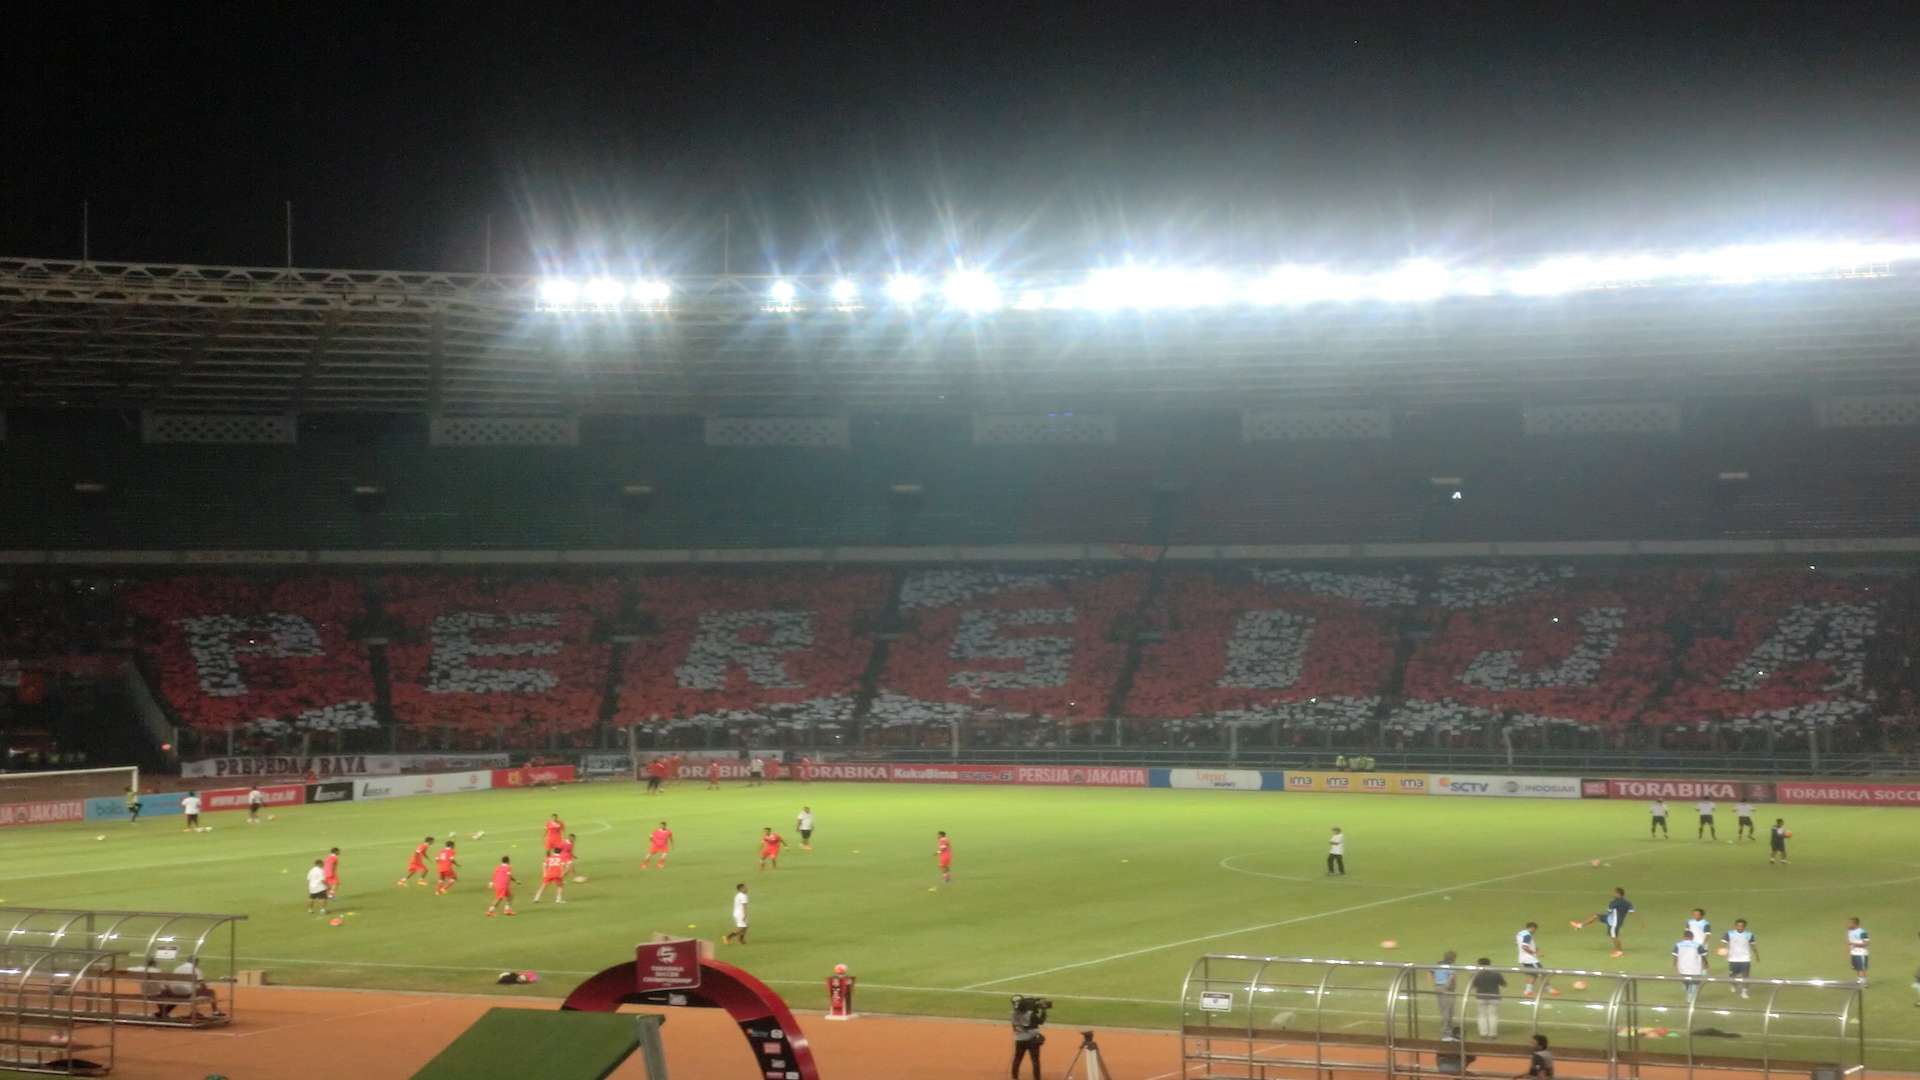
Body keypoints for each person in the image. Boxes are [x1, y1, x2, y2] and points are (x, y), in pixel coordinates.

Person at [1572, 887, 1634, 958]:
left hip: (1614, 922)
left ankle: (1619, 951)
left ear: (1618, 894)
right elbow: (1632, 912)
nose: (1613, 894)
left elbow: (1609, 911)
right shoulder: (1628, 903)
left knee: (1613, 936)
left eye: (1615, 893)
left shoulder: (1614, 902)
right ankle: (1579, 925)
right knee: (1596, 916)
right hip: (1613, 919)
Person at [1010, 996, 1046, 1080]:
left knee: (1017, 1059)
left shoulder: (1014, 1014)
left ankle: (1015, 1077)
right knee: (1035, 1060)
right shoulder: (1031, 1015)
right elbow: (1041, 1021)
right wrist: (1043, 1011)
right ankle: (1037, 1078)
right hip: (1031, 1040)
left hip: (1019, 1039)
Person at [1469, 959, 1506, 1038]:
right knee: (1493, 1015)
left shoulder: (1477, 974)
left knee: (1482, 1015)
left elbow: (1473, 985)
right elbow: (1504, 984)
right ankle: (1492, 1034)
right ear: (1489, 964)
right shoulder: (1496, 973)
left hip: (1481, 997)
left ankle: (1483, 1033)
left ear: (1479, 964)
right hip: (1494, 997)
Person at [1723, 919, 1757, 998]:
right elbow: (1723, 943)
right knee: (1732, 975)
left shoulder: (1749, 934)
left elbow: (1753, 945)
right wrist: (1723, 951)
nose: (1740, 927)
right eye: (1738, 926)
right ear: (1735, 926)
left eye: (1742, 926)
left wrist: (1756, 955)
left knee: (1745, 976)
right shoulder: (1729, 933)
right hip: (1733, 959)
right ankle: (1733, 984)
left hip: (1745, 959)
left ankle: (1744, 992)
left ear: (1744, 926)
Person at [1432, 950, 1460, 1040]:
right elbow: (1452, 977)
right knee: (1448, 1010)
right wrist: (1448, 987)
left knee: (1443, 1009)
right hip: (1447, 989)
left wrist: (1435, 983)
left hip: (1438, 987)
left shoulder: (1438, 964)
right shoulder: (1450, 966)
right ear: (1453, 958)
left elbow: (1431, 972)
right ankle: (1446, 1031)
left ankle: (1448, 1028)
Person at [1674, 930, 1707, 1002]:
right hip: (1695, 969)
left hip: (1683, 969)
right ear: (1692, 937)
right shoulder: (1698, 945)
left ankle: (1689, 994)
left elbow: (1675, 957)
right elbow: (1703, 956)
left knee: (1687, 983)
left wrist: (1675, 967)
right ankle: (1691, 996)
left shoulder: (1678, 945)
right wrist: (1706, 965)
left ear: (1683, 937)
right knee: (1695, 983)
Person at [1516, 922, 1541, 995]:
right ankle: (1549, 989)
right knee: (1542, 973)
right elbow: (1524, 947)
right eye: (1535, 929)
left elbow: (1520, 944)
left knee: (1534, 975)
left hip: (1522, 959)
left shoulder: (1520, 934)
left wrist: (1536, 949)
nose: (1535, 931)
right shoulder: (1527, 935)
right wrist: (1534, 953)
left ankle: (1528, 991)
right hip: (1530, 959)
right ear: (1532, 928)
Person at [1847, 917, 1870, 985]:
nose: (1848, 924)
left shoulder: (1863, 932)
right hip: (1854, 953)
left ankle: (1864, 983)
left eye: (1850, 923)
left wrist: (1853, 944)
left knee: (1861, 968)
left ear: (1855, 924)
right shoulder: (1850, 931)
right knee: (1857, 968)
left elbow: (1866, 943)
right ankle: (1859, 981)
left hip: (1861, 953)